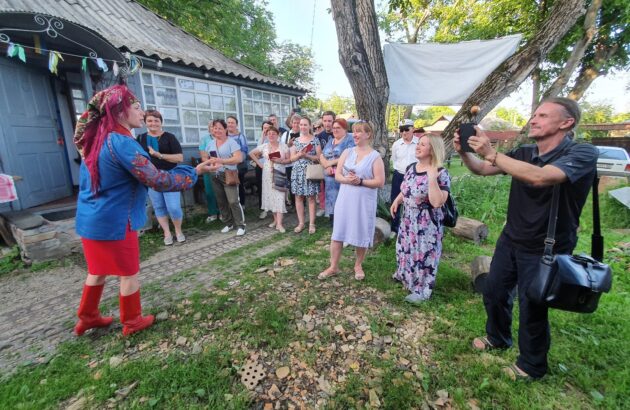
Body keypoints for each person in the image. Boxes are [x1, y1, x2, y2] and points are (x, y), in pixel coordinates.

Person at [457, 97, 597, 380]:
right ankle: (497, 338)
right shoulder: (524, 152)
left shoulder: (582, 153)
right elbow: (483, 169)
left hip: (548, 245)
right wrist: (465, 153)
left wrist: (493, 153)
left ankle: (531, 365)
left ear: (566, 123)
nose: (533, 119)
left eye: (542, 115)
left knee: (532, 304)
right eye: (534, 114)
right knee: (494, 291)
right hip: (512, 237)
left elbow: (541, 177)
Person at [72, 85, 212, 336]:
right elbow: (157, 180)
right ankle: (132, 320)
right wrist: (195, 171)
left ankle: (88, 316)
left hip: (90, 219)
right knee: (129, 273)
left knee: (97, 270)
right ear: (119, 111)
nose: (141, 111)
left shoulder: (96, 141)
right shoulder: (122, 142)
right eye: (135, 107)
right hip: (116, 220)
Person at [318, 121, 385, 281]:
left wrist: (361, 181)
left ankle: (358, 265)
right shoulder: (347, 152)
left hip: (363, 201)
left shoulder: (375, 157)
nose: (354, 134)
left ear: (368, 134)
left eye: (359, 132)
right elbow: (338, 175)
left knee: (361, 231)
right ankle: (333, 266)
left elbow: (380, 182)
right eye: (354, 131)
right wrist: (348, 180)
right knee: (338, 232)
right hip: (345, 198)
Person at [390, 134, 451, 304]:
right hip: (408, 218)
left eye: (423, 145)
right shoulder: (411, 167)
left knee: (423, 254)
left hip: (426, 222)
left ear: (433, 150)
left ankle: (421, 290)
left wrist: (432, 178)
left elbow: (438, 202)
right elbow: (407, 189)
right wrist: (397, 201)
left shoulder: (440, 172)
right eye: (419, 143)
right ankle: (405, 276)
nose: (418, 146)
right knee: (405, 247)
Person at [136, 110, 185, 245]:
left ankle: (178, 230)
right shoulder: (141, 139)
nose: (153, 123)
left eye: (156, 120)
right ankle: (167, 232)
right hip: (151, 178)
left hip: (170, 176)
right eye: (150, 121)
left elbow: (180, 158)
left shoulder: (169, 137)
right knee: (158, 206)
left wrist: (159, 155)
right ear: (145, 123)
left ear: (161, 122)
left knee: (174, 207)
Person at [206, 119, 246, 236]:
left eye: (219, 128)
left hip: (229, 174)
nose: (217, 130)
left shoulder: (231, 142)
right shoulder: (210, 143)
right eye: (215, 128)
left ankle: (241, 225)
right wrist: (211, 165)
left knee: (233, 201)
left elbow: (238, 159)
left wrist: (222, 161)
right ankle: (229, 223)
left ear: (225, 129)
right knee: (221, 201)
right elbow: (210, 158)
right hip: (215, 175)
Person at [249, 126, 290, 232]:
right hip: (267, 174)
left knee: (279, 197)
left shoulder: (284, 146)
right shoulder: (264, 146)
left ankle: (280, 224)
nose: (271, 135)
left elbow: (289, 160)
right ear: (267, 135)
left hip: (279, 173)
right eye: (269, 134)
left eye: (273, 133)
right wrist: (260, 164)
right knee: (271, 197)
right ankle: (276, 220)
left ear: (278, 135)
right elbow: (251, 153)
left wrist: (281, 160)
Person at [319, 118, 355, 225]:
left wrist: (330, 163)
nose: (335, 130)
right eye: (334, 128)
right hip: (329, 177)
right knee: (331, 196)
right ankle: (333, 218)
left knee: (343, 198)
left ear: (345, 129)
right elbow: (321, 154)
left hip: (342, 176)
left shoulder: (350, 140)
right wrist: (325, 165)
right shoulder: (331, 140)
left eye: (338, 128)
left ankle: (344, 221)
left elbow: (349, 155)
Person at [289, 116, 321, 234]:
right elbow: (291, 158)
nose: (302, 126)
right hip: (297, 172)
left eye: (305, 124)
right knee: (298, 197)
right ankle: (301, 223)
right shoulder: (295, 141)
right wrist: (298, 155)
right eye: (301, 125)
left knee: (311, 198)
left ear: (309, 126)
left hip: (310, 171)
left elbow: (319, 157)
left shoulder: (315, 140)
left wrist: (307, 156)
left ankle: (312, 223)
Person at [390, 124, 419, 236]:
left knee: (413, 200)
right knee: (395, 200)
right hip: (399, 175)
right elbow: (395, 159)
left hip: (415, 176)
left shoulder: (418, 142)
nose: (404, 132)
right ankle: (394, 228)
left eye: (407, 129)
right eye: (401, 130)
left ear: (413, 129)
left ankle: (411, 227)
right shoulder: (396, 144)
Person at [315, 111, 336, 217]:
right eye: (325, 121)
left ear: (334, 121)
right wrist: (326, 166)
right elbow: (319, 154)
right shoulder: (319, 136)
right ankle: (324, 208)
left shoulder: (338, 133)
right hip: (324, 166)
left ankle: (336, 210)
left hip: (338, 166)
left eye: (329, 121)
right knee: (323, 188)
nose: (327, 123)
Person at [199, 122, 220, 223]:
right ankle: (213, 213)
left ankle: (223, 212)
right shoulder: (204, 139)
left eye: (216, 127)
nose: (214, 128)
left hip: (222, 168)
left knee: (222, 191)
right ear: (209, 129)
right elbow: (203, 156)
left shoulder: (224, 138)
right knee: (210, 192)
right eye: (212, 126)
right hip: (209, 168)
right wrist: (210, 165)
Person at [226, 115, 249, 206]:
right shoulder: (224, 136)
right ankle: (231, 206)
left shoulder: (240, 136)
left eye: (232, 123)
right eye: (228, 122)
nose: (230, 124)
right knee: (228, 186)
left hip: (239, 165)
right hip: (226, 165)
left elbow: (244, 150)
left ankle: (241, 205)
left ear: (236, 125)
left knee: (238, 185)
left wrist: (237, 160)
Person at [281, 114, 301, 209]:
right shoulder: (286, 135)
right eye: (294, 123)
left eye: (298, 123)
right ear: (291, 123)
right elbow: (281, 149)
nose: (296, 125)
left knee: (301, 183)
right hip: (289, 164)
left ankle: (302, 203)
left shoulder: (304, 133)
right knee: (292, 185)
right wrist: (288, 144)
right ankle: (294, 205)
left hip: (301, 163)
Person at [256, 121, 273, 220]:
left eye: (268, 127)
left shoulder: (276, 138)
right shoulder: (260, 140)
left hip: (272, 166)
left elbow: (278, 153)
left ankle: (274, 207)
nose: (266, 130)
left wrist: (266, 156)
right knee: (261, 187)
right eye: (264, 128)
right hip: (261, 165)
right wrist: (262, 138)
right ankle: (264, 209)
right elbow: (257, 153)